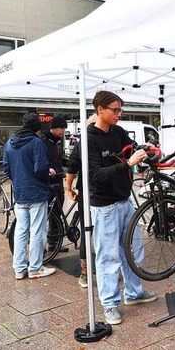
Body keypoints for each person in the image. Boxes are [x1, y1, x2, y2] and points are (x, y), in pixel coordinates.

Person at [87, 91, 157, 325]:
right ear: (100, 110)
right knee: (108, 257)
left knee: (133, 250)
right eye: (115, 110)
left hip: (125, 201)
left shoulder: (118, 132)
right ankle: (109, 304)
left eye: (120, 110)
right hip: (104, 206)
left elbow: (133, 147)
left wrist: (146, 151)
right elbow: (95, 175)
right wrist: (128, 163)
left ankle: (134, 293)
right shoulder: (89, 139)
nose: (119, 114)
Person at [3, 112, 56, 279]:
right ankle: (35, 268)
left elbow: (6, 168)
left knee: (20, 231)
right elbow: (41, 168)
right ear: (37, 128)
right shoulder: (36, 142)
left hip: (20, 193)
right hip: (37, 192)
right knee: (37, 231)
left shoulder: (10, 144)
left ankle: (19, 269)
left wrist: (18, 180)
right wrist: (47, 176)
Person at [65, 114, 97, 288]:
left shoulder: (81, 142)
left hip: (86, 190)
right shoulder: (100, 140)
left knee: (87, 231)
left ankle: (85, 274)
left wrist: (68, 187)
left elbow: (72, 167)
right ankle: (97, 271)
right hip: (100, 191)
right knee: (103, 233)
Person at [43, 116, 69, 253]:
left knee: (57, 212)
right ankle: (45, 243)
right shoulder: (44, 142)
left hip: (58, 181)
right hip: (48, 183)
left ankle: (54, 243)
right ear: (53, 128)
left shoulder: (56, 143)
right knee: (48, 213)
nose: (63, 131)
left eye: (64, 128)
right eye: (61, 128)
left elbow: (60, 160)